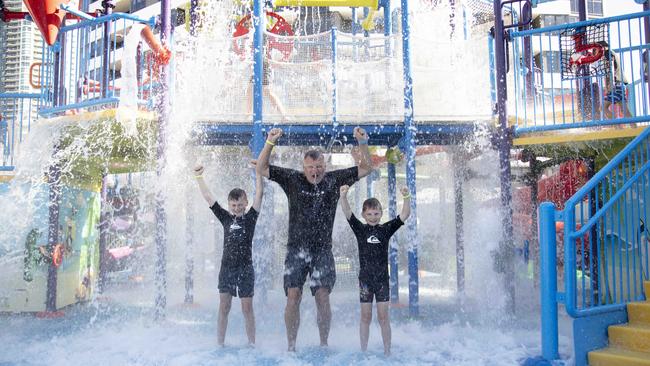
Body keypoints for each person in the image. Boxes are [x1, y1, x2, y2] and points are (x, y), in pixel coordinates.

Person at [255, 127, 374, 351]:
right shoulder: (292, 179)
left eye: (319, 167)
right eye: (310, 168)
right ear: (304, 167)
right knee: (293, 296)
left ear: (324, 166)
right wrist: (270, 142)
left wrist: (362, 142)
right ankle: (291, 346)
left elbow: (367, 167)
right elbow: (261, 168)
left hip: (322, 251)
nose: (315, 172)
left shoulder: (334, 179)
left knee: (322, 297)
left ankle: (323, 344)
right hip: (295, 250)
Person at [193, 164, 263, 347]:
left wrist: (259, 173)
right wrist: (199, 177)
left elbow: (259, 195)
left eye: (240, 204)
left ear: (246, 203)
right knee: (224, 307)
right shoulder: (225, 217)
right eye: (234, 205)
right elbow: (209, 198)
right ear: (229, 204)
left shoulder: (251, 218)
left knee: (247, 308)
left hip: (246, 269)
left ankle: (252, 344)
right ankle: (220, 344)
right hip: (227, 269)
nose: (237, 207)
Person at [339, 184, 411, 357]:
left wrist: (407, 197)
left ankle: (387, 352)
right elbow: (348, 213)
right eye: (369, 214)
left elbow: (404, 215)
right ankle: (363, 351)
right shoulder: (360, 229)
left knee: (383, 318)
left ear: (381, 213)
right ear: (364, 215)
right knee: (365, 318)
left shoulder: (385, 229)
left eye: (376, 213)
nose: (373, 217)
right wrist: (343, 197)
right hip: (365, 281)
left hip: (381, 282)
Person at [599, 41, 633, 120]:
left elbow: (611, 69)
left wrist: (610, 84)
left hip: (615, 84)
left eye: (595, 49)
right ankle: (634, 126)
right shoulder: (611, 52)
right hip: (620, 84)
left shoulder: (607, 54)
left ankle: (617, 127)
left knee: (603, 108)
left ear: (602, 47)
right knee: (624, 110)